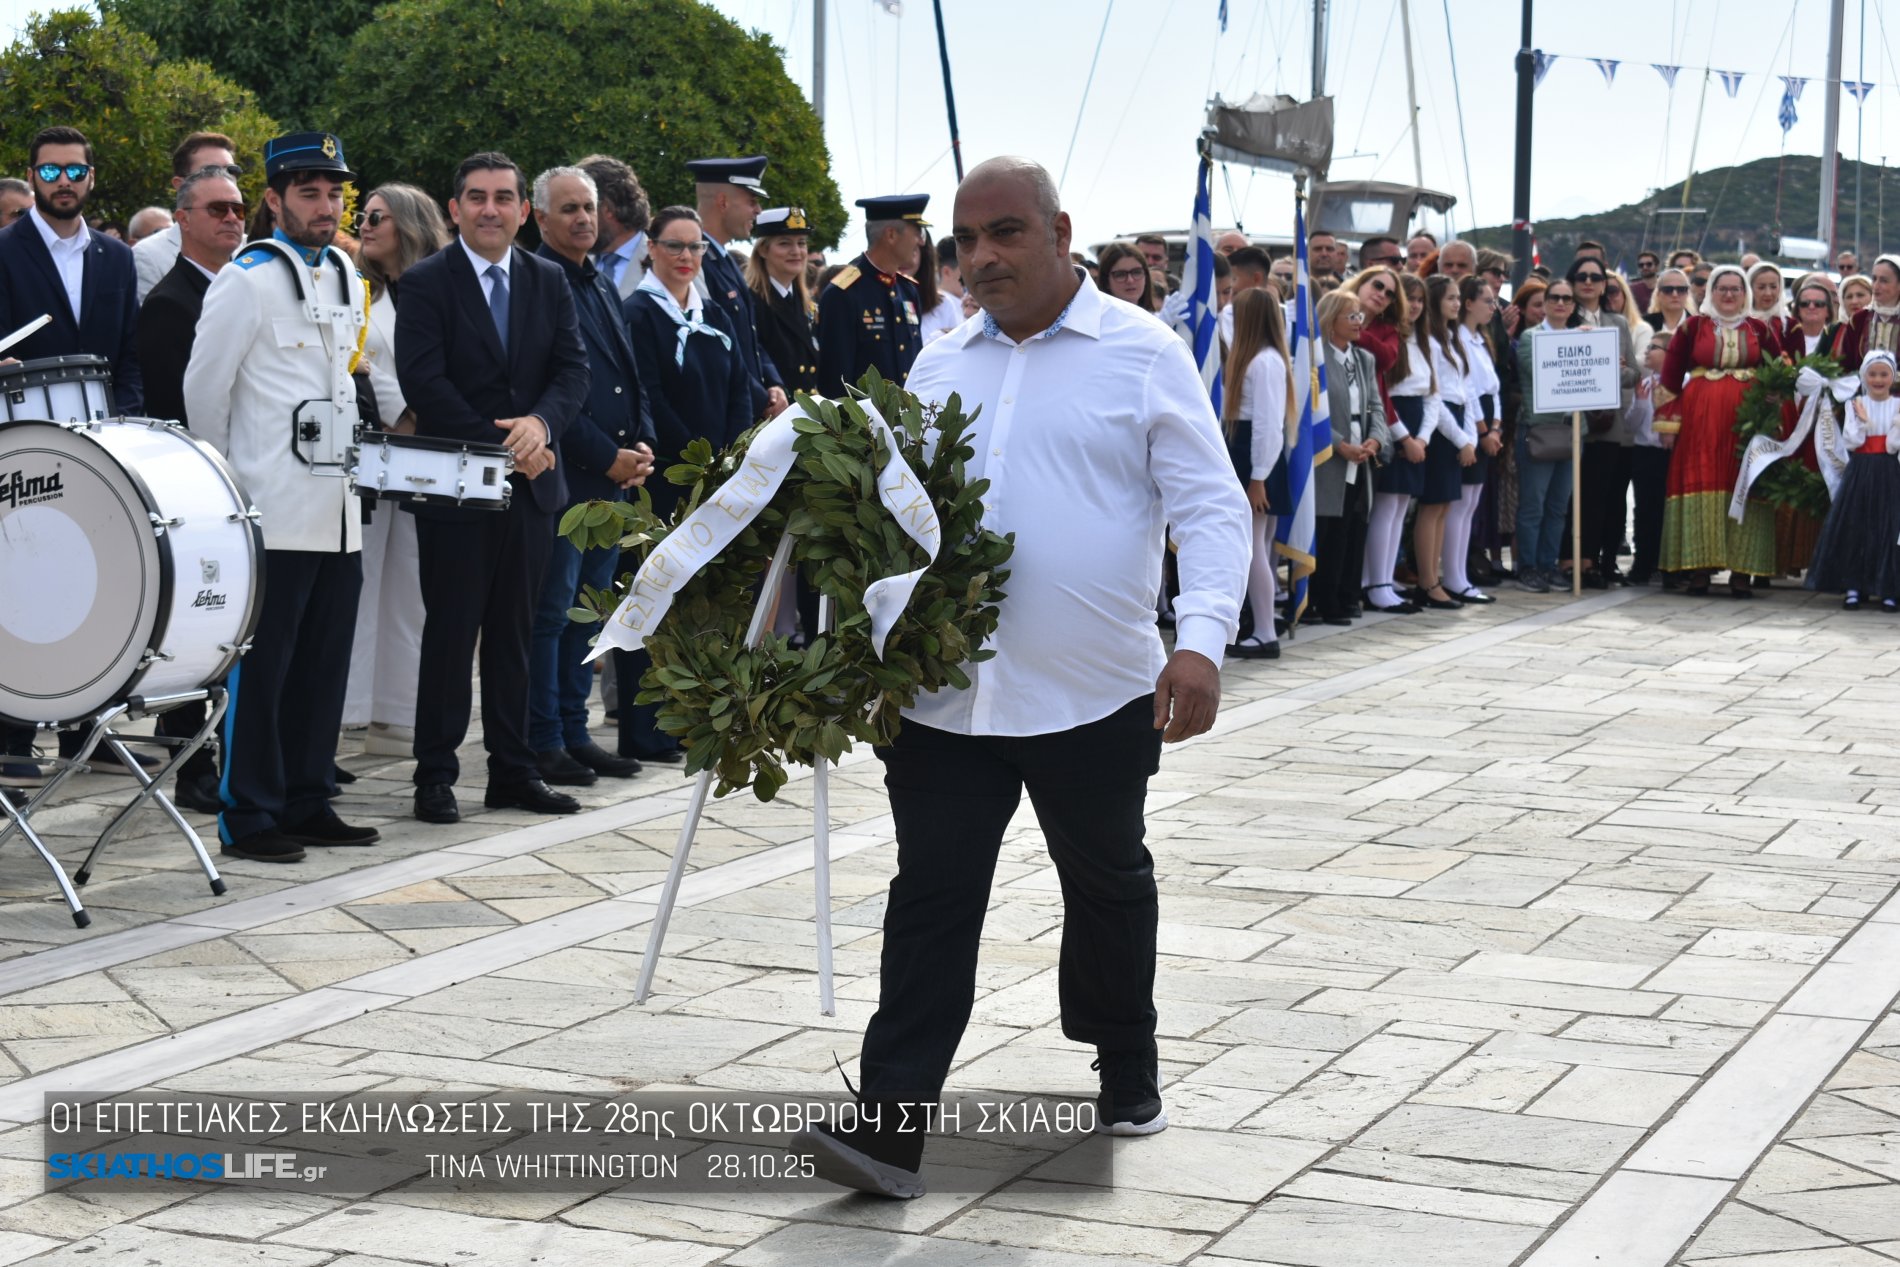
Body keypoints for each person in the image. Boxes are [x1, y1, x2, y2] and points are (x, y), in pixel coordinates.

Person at [793, 157, 1250, 1199]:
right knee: (931, 897)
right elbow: (889, 513)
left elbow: (1211, 508)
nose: (982, 258)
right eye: (966, 241)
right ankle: (888, 1126)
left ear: (1059, 232)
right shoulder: (938, 361)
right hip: (946, 696)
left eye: (1005, 233)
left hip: (1097, 693)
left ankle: (1123, 1060)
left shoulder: (1142, 354)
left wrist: (1203, 642)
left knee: (1106, 880)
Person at [182, 131, 378, 863]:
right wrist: (229, 489)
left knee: (323, 667)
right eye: (309, 192)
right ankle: (250, 814)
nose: (325, 206)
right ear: (274, 199)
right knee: (262, 675)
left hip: (337, 511)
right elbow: (205, 389)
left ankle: (306, 796)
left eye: (333, 193)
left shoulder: (345, 277)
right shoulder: (248, 277)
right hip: (269, 507)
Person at [396, 151, 591, 824]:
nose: (489, 209)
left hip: (534, 488)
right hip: (456, 489)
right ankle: (435, 776)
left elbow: (572, 371)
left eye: (503, 197)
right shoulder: (425, 283)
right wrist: (507, 444)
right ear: (454, 209)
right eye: (476, 197)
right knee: (452, 635)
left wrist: (540, 426)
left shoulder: (548, 280)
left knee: (516, 634)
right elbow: (425, 382)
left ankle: (513, 770)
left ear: (522, 211)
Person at [0, 126, 148, 787]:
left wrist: (129, 423)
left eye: (75, 171)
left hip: (101, 445)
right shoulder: (3, 250)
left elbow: (130, 352)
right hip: (23, 445)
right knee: (25, 584)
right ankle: (12, 736)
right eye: (51, 171)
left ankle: (91, 732)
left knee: (97, 587)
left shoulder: (116, 259)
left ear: (92, 176)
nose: (64, 183)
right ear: (32, 177)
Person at [528, 165, 654, 788]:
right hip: (570, 479)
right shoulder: (540, 280)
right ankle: (545, 738)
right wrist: (606, 455)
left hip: (613, 480)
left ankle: (575, 733)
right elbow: (554, 389)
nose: (583, 218)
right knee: (553, 614)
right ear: (540, 218)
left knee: (590, 615)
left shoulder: (600, 280)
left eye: (590, 207)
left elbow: (628, 375)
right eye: (569, 209)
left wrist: (643, 439)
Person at [134, 165, 248, 814]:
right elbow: (171, 406)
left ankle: (229, 753)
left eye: (237, 209)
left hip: (236, 485)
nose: (231, 219)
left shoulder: (242, 286)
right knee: (201, 628)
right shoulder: (171, 302)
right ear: (183, 218)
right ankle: (191, 764)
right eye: (216, 210)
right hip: (194, 488)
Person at [620, 206, 752, 763]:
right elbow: (646, 391)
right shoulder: (637, 313)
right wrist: (693, 460)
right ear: (650, 249)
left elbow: (739, 389)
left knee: (700, 603)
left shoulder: (715, 316)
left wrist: (730, 457)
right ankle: (642, 727)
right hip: (665, 478)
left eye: (695, 249)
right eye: (674, 247)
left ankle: (688, 719)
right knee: (650, 599)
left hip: (713, 483)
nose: (685, 258)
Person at [345, 182, 449, 760]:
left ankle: (398, 712)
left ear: (408, 223)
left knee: (413, 587)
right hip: (375, 450)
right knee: (364, 580)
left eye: (377, 216)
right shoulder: (357, 287)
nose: (366, 225)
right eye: (363, 216)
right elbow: (365, 361)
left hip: (433, 455)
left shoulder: (439, 289)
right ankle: (351, 710)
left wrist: (424, 418)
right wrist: (402, 415)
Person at [1659, 264, 1779, 596]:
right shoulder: (1693, 327)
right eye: (1722, 288)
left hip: (1746, 422)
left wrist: (1774, 394)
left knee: (1742, 483)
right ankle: (1698, 569)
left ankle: (1742, 571)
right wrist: (1668, 424)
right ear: (1711, 291)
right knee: (1702, 481)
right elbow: (1669, 380)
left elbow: (1779, 368)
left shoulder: (1759, 329)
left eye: (1735, 289)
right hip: (1700, 423)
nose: (1728, 295)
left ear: (1745, 294)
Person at [1344, 265, 1424, 614]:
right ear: (1362, 283)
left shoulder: (1388, 329)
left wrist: (1352, 327)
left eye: (1390, 293)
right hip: (1340, 423)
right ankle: (1365, 584)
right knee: (1352, 514)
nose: (1382, 294)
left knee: (1379, 511)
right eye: (1378, 285)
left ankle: (1377, 582)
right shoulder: (1336, 308)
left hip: (1372, 427)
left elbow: (1385, 355)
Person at [1315, 287, 1392, 621]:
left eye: (1359, 315)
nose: (1359, 322)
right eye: (1352, 316)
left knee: (1354, 526)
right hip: (1331, 459)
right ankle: (1324, 600)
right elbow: (1310, 411)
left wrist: (1376, 439)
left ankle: (1348, 595)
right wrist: (1338, 444)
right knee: (1328, 530)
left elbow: (1376, 405)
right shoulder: (1315, 357)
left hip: (1361, 455)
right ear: (1332, 321)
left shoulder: (1363, 358)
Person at [1222, 288, 1291, 658]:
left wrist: (1258, 477)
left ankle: (1265, 631)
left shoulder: (1265, 361)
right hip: (1247, 452)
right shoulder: (1252, 356)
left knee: (1253, 549)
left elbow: (1268, 425)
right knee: (1254, 547)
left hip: (1254, 457)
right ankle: (1259, 624)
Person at [689, 155, 784, 419]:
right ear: (723, 202)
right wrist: (762, 398)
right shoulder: (694, 261)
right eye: (752, 202)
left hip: (745, 407)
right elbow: (714, 346)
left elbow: (750, 338)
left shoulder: (725, 260)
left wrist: (773, 383)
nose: (758, 211)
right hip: (723, 413)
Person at [1806, 350, 1900, 609]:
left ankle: (1889, 587)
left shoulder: (1897, 405)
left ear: (1892, 377)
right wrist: (1862, 423)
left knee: (1888, 527)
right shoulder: (1854, 404)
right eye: (1872, 374)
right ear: (1863, 376)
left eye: (1884, 374)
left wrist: (1893, 427)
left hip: (1889, 471)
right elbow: (1852, 440)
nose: (1878, 380)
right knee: (1857, 525)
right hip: (1861, 470)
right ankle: (1854, 586)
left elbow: (1893, 446)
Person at [1569, 256, 1639, 588]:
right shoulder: (1564, 320)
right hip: (1570, 423)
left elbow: (1632, 375)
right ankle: (1570, 561)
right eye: (1581, 276)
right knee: (1571, 497)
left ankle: (1594, 562)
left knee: (1601, 497)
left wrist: (1611, 365)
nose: (1588, 282)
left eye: (1595, 277)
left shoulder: (1618, 323)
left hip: (1608, 422)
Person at [816, 193, 928, 396]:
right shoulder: (843, 293)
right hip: (864, 424)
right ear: (891, 235)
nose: (920, 241)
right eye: (917, 232)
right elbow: (835, 383)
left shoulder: (907, 290)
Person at [1411, 274, 1476, 609]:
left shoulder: (1451, 339)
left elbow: (1464, 392)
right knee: (1432, 506)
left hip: (1455, 427)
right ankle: (1428, 580)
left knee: (1444, 507)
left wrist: (1469, 437)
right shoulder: (1433, 343)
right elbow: (1438, 399)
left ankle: (1435, 577)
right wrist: (1462, 439)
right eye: (1450, 297)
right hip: (1440, 431)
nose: (1456, 303)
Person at [1514, 277, 1578, 593]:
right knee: (1533, 505)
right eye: (1554, 297)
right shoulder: (1530, 337)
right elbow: (1537, 370)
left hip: (1571, 431)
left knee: (1558, 506)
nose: (1560, 303)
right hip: (1539, 430)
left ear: (1573, 305)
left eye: (1567, 298)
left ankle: (1548, 564)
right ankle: (1527, 566)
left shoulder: (1582, 338)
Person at [133, 131, 241, 301]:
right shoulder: (149, 256)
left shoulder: (252, 249)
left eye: (231, 171)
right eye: (210, 172)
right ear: (180, 184)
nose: (224, 178)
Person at [1447, 276, 1503, 604]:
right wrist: (1482, 432)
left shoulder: (1480, 340)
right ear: (1469, 304)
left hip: (1486, 423)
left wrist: (1496, 428)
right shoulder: (1458, 340)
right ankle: (1454, 576)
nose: (1493, 307)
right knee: (1460, 504)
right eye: (1487, 301)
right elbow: (1468, 391)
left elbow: (1492, 389)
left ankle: (1460, 575)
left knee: (1469, 505)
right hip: (1471, 424)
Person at [747, 206, 821, 394]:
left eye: (801, 243)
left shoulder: (805, 303)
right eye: (784, 243)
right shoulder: (752, 301)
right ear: (763, 250)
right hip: (775, 412)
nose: (796, 251)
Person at [1627, 331, 1673, 586]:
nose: (1646, 352)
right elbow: (1631, 424)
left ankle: (1667, 564)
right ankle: (1643, 562)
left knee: (1667, 510)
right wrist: (1642, 403)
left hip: (1669, 454)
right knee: (1644, 509)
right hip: (1645, 452)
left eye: (1653, 348)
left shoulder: (1682, 382)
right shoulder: (1643, 385)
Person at [577, 153, 650, 300]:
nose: (579, 218)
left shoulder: (669, 260)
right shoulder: (577, 264)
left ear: (608, 208)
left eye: (587, 207)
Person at [1838, 255, 1900, 370]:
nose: (1876, 286)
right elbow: (1846, 365)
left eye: (1884, 281)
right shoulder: (1859, 319)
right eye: (1874, 279)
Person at [1096, 240, 1156, 311]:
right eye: (1120, 275)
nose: (1130, 280)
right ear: (1106, 282)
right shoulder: (1096, 320)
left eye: (1136, 272)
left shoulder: (1156, 319)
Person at [1746, 262, 1791, 345]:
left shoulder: (1788, 324)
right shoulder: (1741, 321)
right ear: (1750, 289)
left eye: (1773, 287)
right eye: (1761, 287)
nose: (1768, 293)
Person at [1646, 267, 1694, 339]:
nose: (1675, 294)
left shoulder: (1699, 326)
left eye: (1681, 289)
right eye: (1668, 290)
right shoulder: (1645, 324)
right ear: (1658, 294)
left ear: (1687, 293)